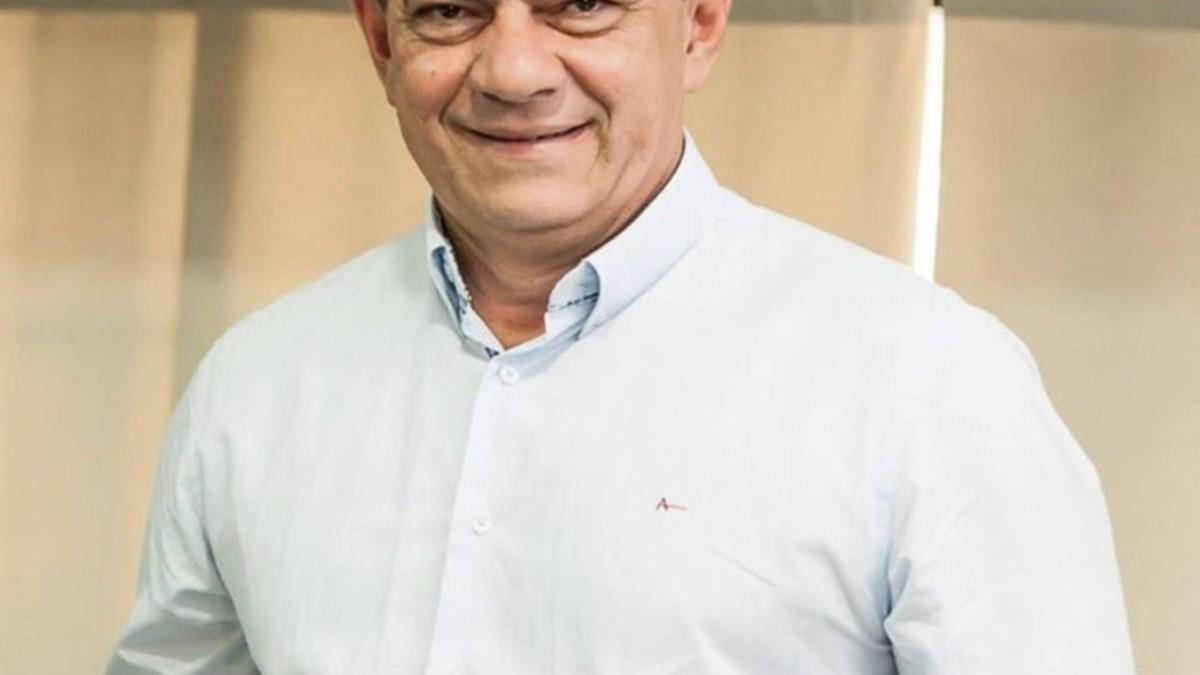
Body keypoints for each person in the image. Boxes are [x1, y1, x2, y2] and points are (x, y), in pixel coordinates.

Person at [107, 0, 1136, 673]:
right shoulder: (254, 387)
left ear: (699, 23)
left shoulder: (928, 385)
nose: (513, 69)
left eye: (582, 4)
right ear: (381, 39)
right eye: (451, 11)